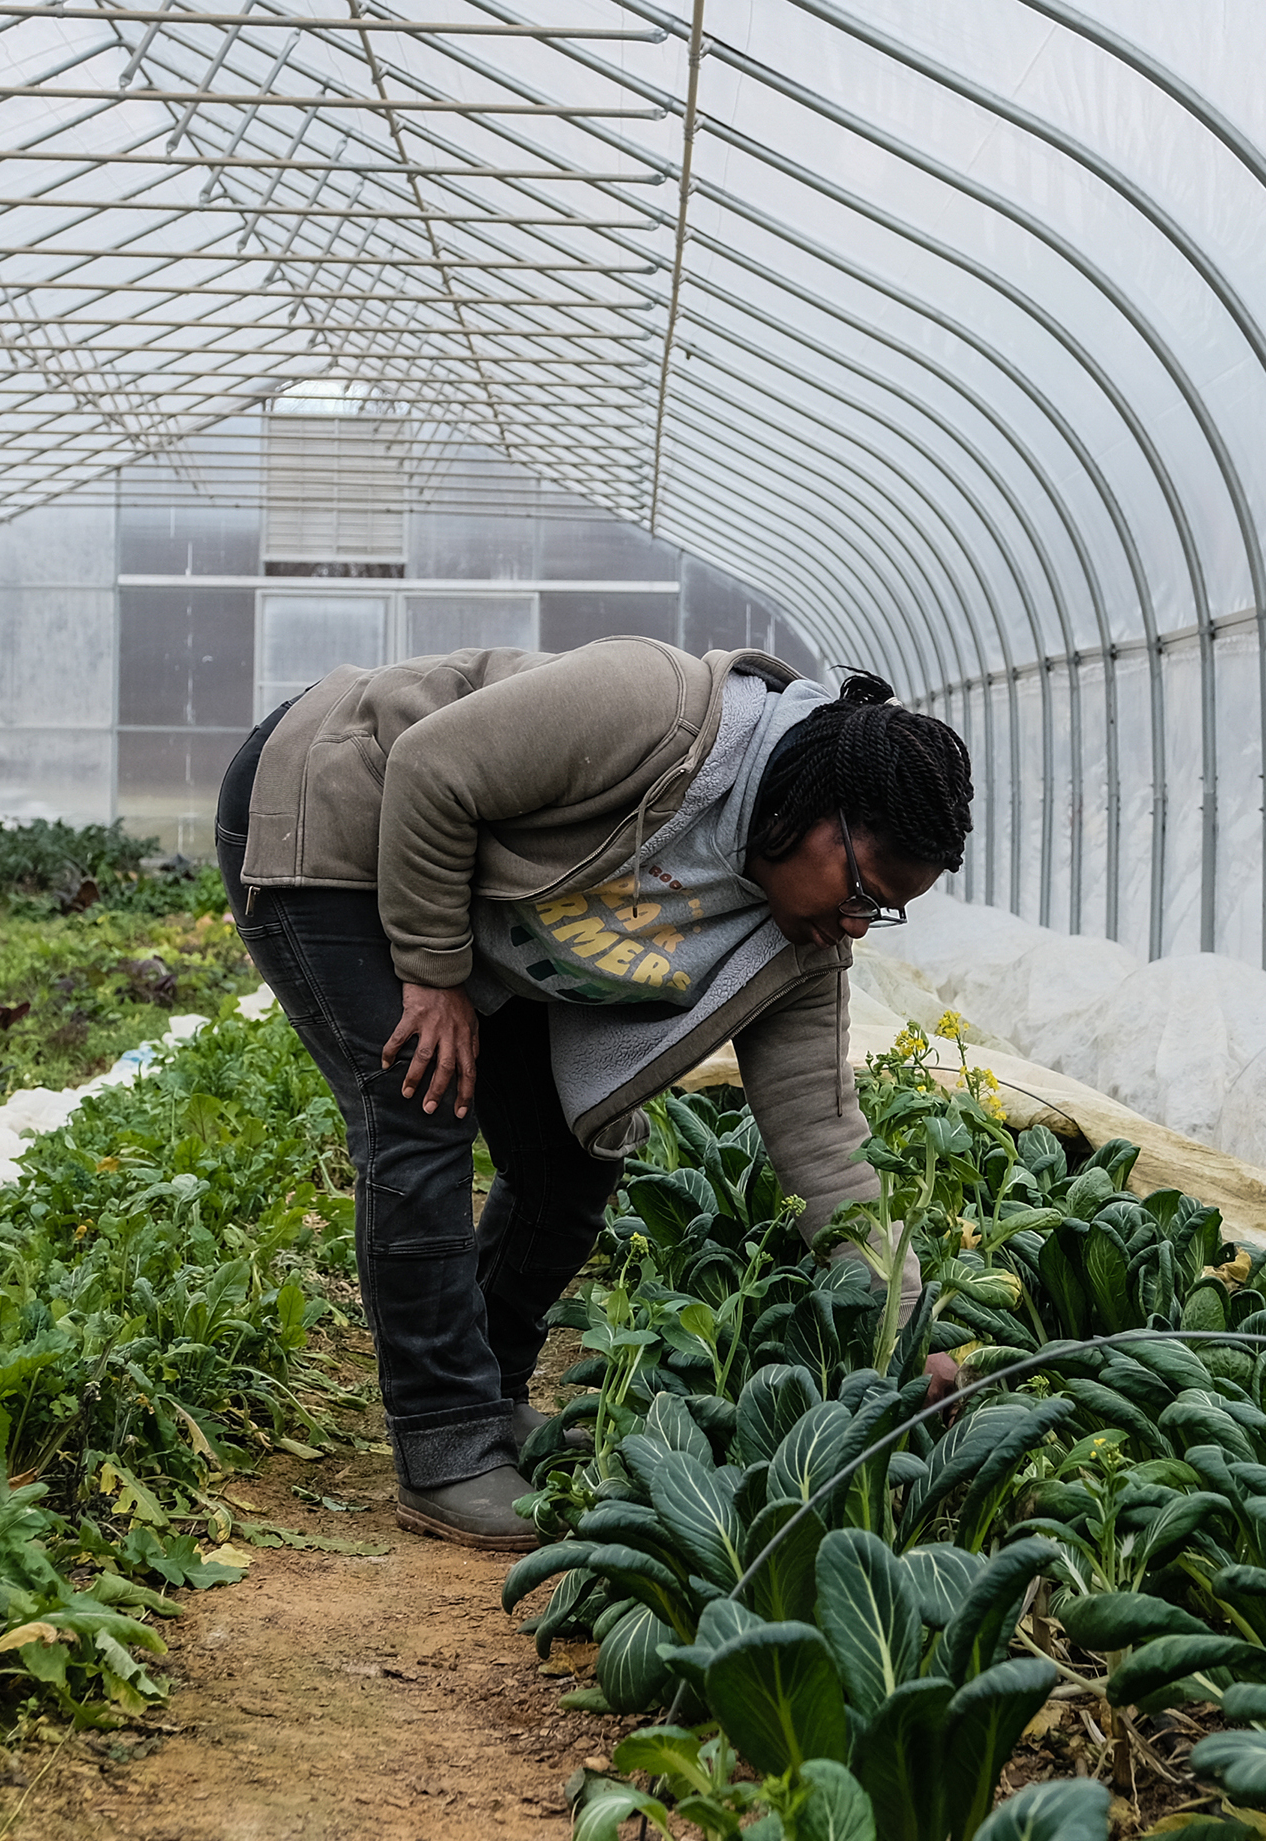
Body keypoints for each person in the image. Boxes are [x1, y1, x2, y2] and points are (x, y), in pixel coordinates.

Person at [214, 634, 974, 1549]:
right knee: (420, 1105)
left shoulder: (800, 944)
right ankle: (443, 1444)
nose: (857, 919)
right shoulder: (654, 710)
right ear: (820, 808)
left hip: (473, 900)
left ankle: (486, 1404)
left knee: (568, 1163)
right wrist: (431, 974)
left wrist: (904, 1331)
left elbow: (824, 1141)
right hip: (334, 812)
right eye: (861, 886)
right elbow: (432, 766)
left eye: (882, 909)